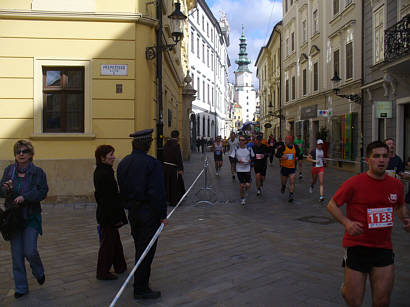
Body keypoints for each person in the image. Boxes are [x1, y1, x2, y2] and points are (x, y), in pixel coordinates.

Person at [327, 141, 410, 307]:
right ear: (368, 160)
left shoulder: (396, 185)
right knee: (354, 300)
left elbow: (400, 205)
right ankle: (347, 290)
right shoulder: (355, 183)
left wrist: (405, 218)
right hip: (357, 246)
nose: (381, 160)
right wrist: (347, 222)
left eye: (385, 156)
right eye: (376, 156)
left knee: (382, 301)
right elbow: (332, 204)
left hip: (383, 248)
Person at [117, 129, 168, 300]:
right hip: (149, 213)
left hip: (133, 212)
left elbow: (122, 189)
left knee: (140, 246)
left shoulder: (124, 162)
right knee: (146, 250)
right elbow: (157, 193)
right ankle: (141, 288)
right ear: (147, 144)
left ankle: (139, 280)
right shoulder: (152, 164)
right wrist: (162, 214)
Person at [0, 140, 48, 299]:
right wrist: (6, 188)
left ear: (31, 155)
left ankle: (38, 271)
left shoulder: (38, 172)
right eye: (18, 151)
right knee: (17, 254)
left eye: (24, 151)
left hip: (30, 216)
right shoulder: (9, 171)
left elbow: (42, 192)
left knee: (30, 250)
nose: (21, 154)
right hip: (14, 218)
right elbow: (1, 191)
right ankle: (21, 287)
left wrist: (25, 197)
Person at [94, 145, 128, 280]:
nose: (113, 157)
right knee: (108, 243)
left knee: (114, 240)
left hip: (108, 212)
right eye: (110, 155)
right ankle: (102, 271)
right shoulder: (103, 173)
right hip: (108, 214)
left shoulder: (105, 170)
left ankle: (120, 266)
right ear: (102, 158)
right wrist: (115, 217)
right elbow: (107, 198)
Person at [276, 135, 302, 202]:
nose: (285, 141)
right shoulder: (283, 147)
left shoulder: (295, 147)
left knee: (292, 181)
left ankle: (291, 195)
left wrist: (297, 157)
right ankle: (283, 186)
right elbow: (277, 154)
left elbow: (300, 154)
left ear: (291, 140)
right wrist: (282, 156)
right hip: (284, 167)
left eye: (287, 140)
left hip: (292, 167)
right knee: (284, 182)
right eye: (285, 139)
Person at [230, 135, 255, 206]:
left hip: (247, 169)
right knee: (241, 185)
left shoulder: (249, 148)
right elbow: (232, 158)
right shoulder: (236, 149)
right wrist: (238, 161)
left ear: (245, 141)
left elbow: (253, 157)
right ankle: (242, 199)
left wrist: (250, 160)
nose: (241, 141)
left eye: (243, 140)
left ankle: (245, 190)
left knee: (247, 185)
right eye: (240, 140)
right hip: (239, 169)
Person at [163, 130, 185, 207]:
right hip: (172, 167)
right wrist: (180, 168)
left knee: (166, 183)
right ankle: (173, 200)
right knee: (173, 184)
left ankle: (166, 199)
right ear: (178, 136)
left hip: (165, 166)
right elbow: (178, 157)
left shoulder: (166, 144)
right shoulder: (176, 145)